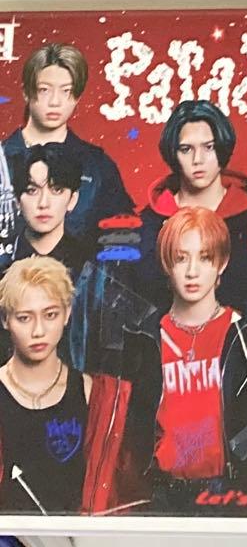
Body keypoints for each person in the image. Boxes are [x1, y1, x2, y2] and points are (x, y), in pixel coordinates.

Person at [120, 209, 247, 507]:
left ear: (222, 263)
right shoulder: (146, 337)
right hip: (162, 492)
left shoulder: (246, 332)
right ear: (166, 264)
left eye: (205, 258)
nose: (192, 271)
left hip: (229, 490)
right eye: (181, 258)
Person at [0, 257, 126, 514]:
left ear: (67, 313)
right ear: (5, 319)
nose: (38, 331)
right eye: (24, 318)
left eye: (50, 315)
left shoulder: (96, 395)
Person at [137, 101, 247, 316]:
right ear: (173, 154)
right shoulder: (149, 224)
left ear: (222, 148)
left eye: (209, 147)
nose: (198, 160)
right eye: (186, 149)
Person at [3, 44, 132, 241]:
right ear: (26, 92)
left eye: (66, 91)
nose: (55, 101)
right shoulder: (3, 158)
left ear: (77, 97)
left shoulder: (97, 165)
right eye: (44, 90)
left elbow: (123, 235)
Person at [4, 144, 90, 281]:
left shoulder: (89, 263)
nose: (43, 203)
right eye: (32, 190)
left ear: (72, 199)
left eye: (56, 190)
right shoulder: (4, 258)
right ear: (17, 200)